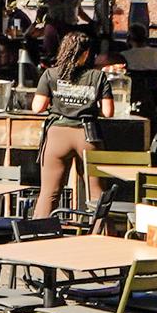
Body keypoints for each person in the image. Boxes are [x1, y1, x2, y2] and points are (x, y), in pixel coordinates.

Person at [30, 30, 110, 220]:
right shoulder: (97, 77)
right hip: (87, 134)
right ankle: (101, 232)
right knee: (97, 193)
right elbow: (108, 112)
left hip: (57, 134)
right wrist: (88, 107)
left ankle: (39, 232)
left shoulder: (50, 74)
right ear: (86, 53)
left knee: (49, 193)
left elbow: (37, 107)